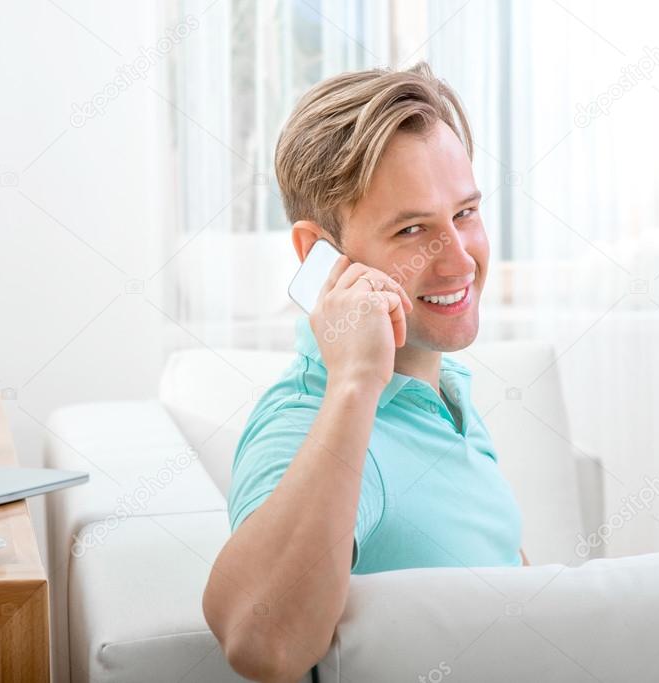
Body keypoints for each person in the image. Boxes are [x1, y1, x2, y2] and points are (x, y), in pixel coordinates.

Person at [203, 61, 527, 683]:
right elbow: (259, 643)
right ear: (317, 256)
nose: (459, 259)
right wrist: (354, 383)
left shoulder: (443, 388)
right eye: (412, 230)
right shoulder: (309, 420)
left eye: (464, 213)